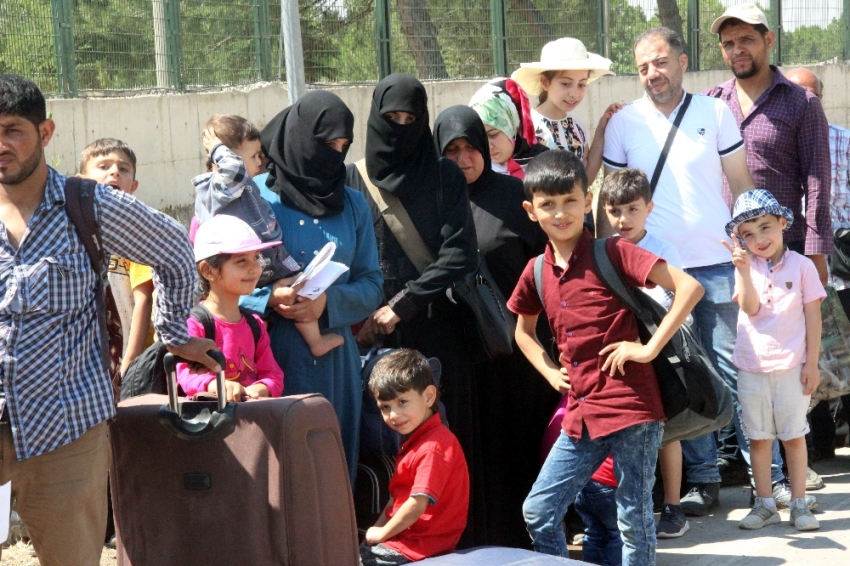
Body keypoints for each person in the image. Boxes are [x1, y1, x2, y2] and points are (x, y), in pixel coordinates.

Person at [0, 74, 218, 565]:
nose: (2, 145)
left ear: (46, 132)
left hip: (66, 436)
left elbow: (175, 252)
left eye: (13, 130)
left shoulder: (88, 204)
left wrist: (177, 334)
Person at [600, 26, 765, 517]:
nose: (653, 73)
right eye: (643, 66)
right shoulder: (623, 122)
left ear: (683, 61)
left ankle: (768, 479)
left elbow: (741, 184)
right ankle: (704, 480)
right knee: (684, 376)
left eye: (661, 62)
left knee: (735, 373)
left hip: (716, 264)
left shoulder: (715, 113)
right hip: (654, 275)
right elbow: (610, 200)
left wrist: (752, 251)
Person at [509, 150, 704, 563]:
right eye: (548, 204)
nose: (560, 213)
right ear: (531, 210)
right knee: (539, 510)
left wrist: (648, 348)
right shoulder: (536, 272)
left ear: (587, 200)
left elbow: (689, 288)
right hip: (581, 414)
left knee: (633, 516)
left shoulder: (612, 252)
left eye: (570, 202)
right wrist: (549, 372)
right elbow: (523, 333)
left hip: (633, 406)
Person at [345, 75, 483, 543]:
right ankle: (391, 537)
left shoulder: (443, 173)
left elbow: (459, 253)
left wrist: (403, 305)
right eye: (392, 119)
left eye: (411, 119)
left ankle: (450, 541)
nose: (401, 127)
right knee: (384, 440)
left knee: (441, 441)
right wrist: (365, 312)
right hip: (372, 333)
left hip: (434, 328)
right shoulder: (354, 177)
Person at [705, 3, 830, 507]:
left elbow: (819, 181)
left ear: (768, 40)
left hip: (788, 256)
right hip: (731, 260)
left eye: (747, 40)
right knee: (746, 367)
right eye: (729, 42)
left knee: (794, 367)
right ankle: (760, 476)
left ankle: (793, 472)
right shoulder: (712, 103)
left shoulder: (800, 103)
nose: (738, 49)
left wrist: (815, 253)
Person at [241, 90, 383, 484]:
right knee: (277, 478)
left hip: (334, 361)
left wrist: (327, 304)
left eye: (343, 147)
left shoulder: (353, 204)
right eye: (326, 145)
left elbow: (372, 283)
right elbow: (217, 279)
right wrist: (269, 297)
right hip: (268, 358)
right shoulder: (254, 198)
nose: (334, 156)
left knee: (332, 475)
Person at [433, 105, 557, 548]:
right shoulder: (434, 201)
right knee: (476, 445)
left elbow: (553, 259)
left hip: (523, 347)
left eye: (470, 147)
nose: (463, 158)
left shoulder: (515, 196)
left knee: (525, 440)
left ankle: (536, 540)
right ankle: (483, 538)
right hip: (465, 352)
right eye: (451, 150)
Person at [193, 114, 343, 357]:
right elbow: (233, 169)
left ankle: (315, 341)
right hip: (249, 257)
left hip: (268, 251)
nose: (260, 161)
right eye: (253, 156)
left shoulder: (245, 183)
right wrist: (217, 147)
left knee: (300, 287)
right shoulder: (219, 186)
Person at [723, 190, 825, 531]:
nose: (758, 239)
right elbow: (750, 308)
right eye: (748, 234)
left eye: (765, 227)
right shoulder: (743, 266)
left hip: (792, 367)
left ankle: (799, 504)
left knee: (794, 436)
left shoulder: (803, 266)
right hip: (751, 366)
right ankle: (765, 503)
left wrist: (811, 364)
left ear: (782, 222)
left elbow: (813, 317)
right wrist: (741, 269)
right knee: (758, 438)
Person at [598, 168, 689, 540]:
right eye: (615, 210)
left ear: (649, 208)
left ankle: (673, 505)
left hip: (656, 351)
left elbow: (678, 300)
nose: (624, 219)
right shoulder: (600, 250)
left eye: (632, 209)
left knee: (666, 432)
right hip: (616, 354)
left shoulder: (663, 251)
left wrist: (650, 345)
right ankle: (629, 506)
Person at [785, 66, 848, 476]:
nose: (806, 102)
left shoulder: (845, 140)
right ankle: (818, 444)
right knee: (806, 354)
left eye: (812, 94)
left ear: (821, 97)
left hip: (843, 262)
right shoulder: (780, 142)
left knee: (844, 353)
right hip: (795, 264)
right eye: (797, 94)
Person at [361, 349, 469, 565]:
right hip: (405, 540)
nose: (393, 415)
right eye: (385, 407)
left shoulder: (433, 447)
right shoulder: (416, 442)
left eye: (402, 402)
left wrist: (381, 535)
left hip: (421, 546)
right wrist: (375, 535)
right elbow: (396, 500)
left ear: (429, 396)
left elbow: (416, 504)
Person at [176, 215, 284, 400]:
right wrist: (216, 385)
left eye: (256, 258)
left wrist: (258, 390)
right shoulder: (193, 325)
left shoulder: (255, 325)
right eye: (241, 261)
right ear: (209, 270)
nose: (254, 268)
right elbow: (186, 375)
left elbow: (273, 376)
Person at [78, 138, 154, 374]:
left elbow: (144, 300)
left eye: (123, 169)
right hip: (87, 359)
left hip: (132, 358)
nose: (114, 172)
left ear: (133, 186)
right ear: (80, 183)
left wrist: (130, 362)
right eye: (103, 167)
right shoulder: (73, 233)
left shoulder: (137, 234)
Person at [511, 37, 618, 183]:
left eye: (581, 85)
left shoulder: (577, 123)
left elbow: (586, 177)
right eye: (566, 84)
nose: (574, 93)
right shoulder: (527, 125)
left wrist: (602, 126)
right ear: (545, 82)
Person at [468, 78, 549, 179]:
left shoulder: (549, 166)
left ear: (515, 125)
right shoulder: (473, 172)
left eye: (493, 135)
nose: (488, 146)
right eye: (480, 136)